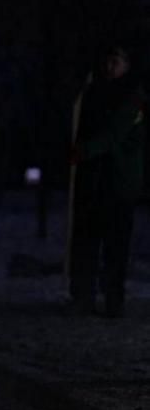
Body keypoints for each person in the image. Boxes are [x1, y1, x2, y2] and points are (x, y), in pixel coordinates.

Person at [69, 46, 145, 317]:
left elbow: (115, 134)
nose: (110, 67)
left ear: (126, 64)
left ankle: (114, 299)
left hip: (119, 182)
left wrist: (84, 150)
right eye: (107, 61)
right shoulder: (93, 94)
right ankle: (83, 296)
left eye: (117, 61)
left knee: (115, 245)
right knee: (87, 239)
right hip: (93, 180)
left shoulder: (134, 99)